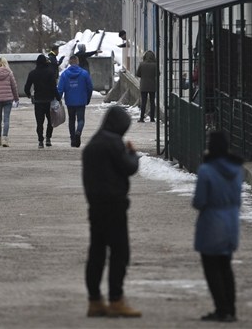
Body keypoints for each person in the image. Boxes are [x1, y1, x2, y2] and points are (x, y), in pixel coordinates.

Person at [82, 105, 141, 318]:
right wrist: (133, 154)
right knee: (119, 253)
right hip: (114, 206)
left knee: (96, 253)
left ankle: (95, 300)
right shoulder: (114, 143)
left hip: (96, 207)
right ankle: (116, 299)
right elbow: (128, 168)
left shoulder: (93, 144)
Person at [193, 131, 244, 323]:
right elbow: (238, 199)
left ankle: (221, 309)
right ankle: (230, 308)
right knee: (226, 267)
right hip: (231, 220)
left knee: (212, 269)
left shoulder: (207, 170)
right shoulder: (236, 169)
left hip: (212, 222)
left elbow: (199, 201)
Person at [24, 54, 61, 149]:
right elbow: (54, 87)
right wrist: (58, 97)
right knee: (50, 121)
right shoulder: (50, 73)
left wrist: (29, 95)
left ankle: (40, 140)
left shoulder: (32, 73)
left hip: (38, 101)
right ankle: (48, 138)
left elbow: (27, 87)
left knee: (39, 122)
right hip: (49, 101)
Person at [57, 55, 93, 148]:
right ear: (77, 62)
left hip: (70, 101)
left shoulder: (64, 75)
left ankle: (73, 139)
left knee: (71, 120)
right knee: (81, 119)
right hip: (81, 100)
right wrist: (88, 98)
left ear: (69, 62)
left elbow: (60, 89)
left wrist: (58, 99)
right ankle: (78, 132)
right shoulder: (84, 73)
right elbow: (90, 87)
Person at [0, 56, 18, 147]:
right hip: (8, 99)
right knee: (6, 119)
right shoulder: (9, 73)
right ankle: (5, 139)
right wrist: (16, 98)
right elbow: (14, 86)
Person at [135, 50, 158, 123]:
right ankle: (152, 118)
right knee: (152, 102)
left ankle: (142, 118)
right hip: (152, 85)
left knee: (144, 102)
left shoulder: (142, 64)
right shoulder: (155, 65)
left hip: (144, 86)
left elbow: (138, 74)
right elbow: (158, 74)